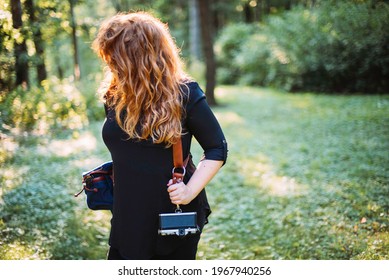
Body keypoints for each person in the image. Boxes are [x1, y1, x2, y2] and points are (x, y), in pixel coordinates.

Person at [92, 11, 228, 260]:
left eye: (116, 55)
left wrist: (189, 191)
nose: (110, 62)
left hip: (169, 214)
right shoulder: (114, 94)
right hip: (126, 213)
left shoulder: (185, 93)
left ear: (138, 57)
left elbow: (217, 148)